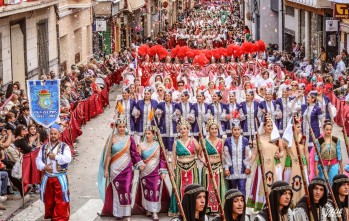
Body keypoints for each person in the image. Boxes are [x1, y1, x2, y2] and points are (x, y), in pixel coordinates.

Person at [98, 115, 145, 220]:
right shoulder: (112, 139)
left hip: (127, 169)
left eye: (124, 126)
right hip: (114, 169)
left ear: (126, 127)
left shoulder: (130, 139)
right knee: (117, 190)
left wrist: (140, 163)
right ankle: (118, 212)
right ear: (116, 127)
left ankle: (127, 213)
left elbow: (134, 154)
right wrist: (106, 170)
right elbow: (108, 155)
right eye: (120, 127)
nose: (122, 129)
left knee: (126, 189)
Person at [247, 115, 284, 212]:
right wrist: (249, 165)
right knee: (262, 185)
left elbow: (282, 151)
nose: (270, 127)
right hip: (263, 166)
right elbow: (255, 153)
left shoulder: (276, 138)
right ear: (263, 127)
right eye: (268, 126)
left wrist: (280, 155)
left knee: (275, 184)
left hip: (275, 166)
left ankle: (275, 204)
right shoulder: (259, 138)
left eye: (271, 125)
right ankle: (263, 205)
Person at [35, 124, 72, 221]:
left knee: (61, 201)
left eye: (55, 134)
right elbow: (38, 160)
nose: (53, 136)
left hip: (59, 178)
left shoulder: (65, 147)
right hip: (48, 178)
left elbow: (68, 159)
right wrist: (44, 167)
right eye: (51, 134)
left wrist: (55, 157)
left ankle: (59, 218)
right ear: (49, 135)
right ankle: (52, 216)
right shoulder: (43, 147)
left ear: (59, 134)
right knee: (49, 200)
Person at [168, 117, 201, 216]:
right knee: (179, 188)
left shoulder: (193, 141)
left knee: (192, 188)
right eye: (181, 129)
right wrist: (172, 170)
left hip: (192, 167)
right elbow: (173, 157)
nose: (183, 130)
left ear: (188, 129)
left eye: (185, 128)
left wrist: (201, 144)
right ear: (179, 130)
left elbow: (199, 152)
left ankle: (193, 208)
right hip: (180, 167)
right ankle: (179, 209)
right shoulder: (176, 142)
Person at [136, 126, 168, 221]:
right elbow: (138, 158)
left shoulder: (159, 145)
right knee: (146, 192)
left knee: (155, 191)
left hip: (155, 173)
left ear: (154, 134)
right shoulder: (141, 145)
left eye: (149, 133)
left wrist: (163, 171)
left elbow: (162, 159)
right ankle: (148, 209)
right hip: (145, 173)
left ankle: (154, 212)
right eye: (146, 133)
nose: (147, 135)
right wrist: (140, 165)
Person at [282, 116, 309, 205]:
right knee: (289, 184)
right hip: (290, 166)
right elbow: (282, 152)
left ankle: (302, 203)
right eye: (298, 127)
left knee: (303, 184)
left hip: (302, 165)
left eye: (300, 126)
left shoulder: (303, 138)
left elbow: (306, 153)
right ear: (292, 127)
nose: (300, 128)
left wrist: (308, 167)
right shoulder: (286, 140)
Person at [202, 117, 226, 214]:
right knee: (208, 187)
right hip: (207, 167)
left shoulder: (221, 141)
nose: (214, 130)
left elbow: (223, 155)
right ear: (208, 130)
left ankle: (219, 208)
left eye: (216, 128)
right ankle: (208, 208)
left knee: (219, 187)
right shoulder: (204, 141)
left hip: (218, 167)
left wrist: (224, 167)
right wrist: (203, 159)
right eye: (212, 128)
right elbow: (199, 153)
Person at [223, 118, 251, 196]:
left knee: (242, 188)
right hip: (232, 170)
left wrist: (248, 166)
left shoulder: (245, 140)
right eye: (235, 130)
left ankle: (242, 206)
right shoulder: (228, 141)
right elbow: (226, 155)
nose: (237, 131)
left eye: (238, 129)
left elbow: (248, 155)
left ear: (241, 130)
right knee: (232, 189)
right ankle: (232, 206)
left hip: (242, 169)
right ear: (232, 130)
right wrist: (226, 168)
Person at [315, 120, 343, 185]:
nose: (329, 131)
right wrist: (316, 168)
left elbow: (339, 154)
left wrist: (341, 168)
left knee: (333, 181)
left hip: (334, 164)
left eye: (330, 130)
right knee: (323, 182)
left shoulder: (336, 140)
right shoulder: (319, 141)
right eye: (327, 129)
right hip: (322, 164)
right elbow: (316, 155)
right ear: (323, 129)